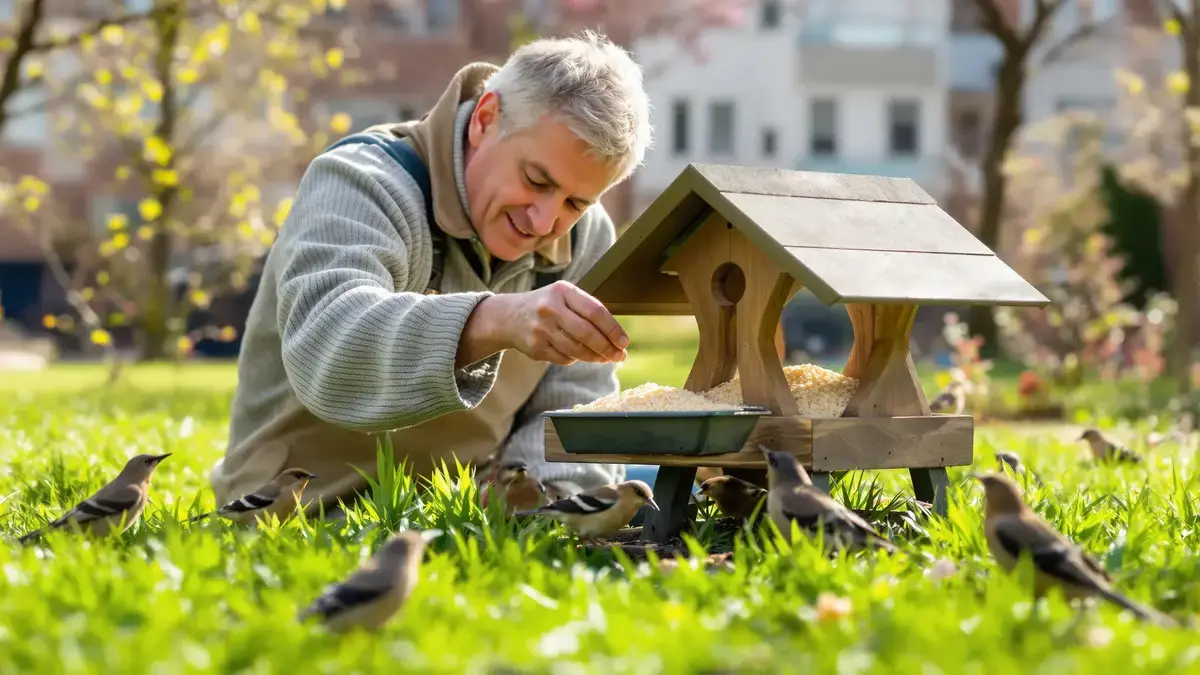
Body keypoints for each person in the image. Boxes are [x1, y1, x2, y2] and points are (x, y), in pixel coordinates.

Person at [208, 30, 651, 514]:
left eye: (575, 202)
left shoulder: (586, 237)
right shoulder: (360, 181)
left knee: (683, 482)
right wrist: (495, 320)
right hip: (303, 513)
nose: (544, 221)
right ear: (485, 119)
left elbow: (572, 409)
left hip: (460, 518)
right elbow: (328, 353)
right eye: (535, 180)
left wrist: (540, 511)